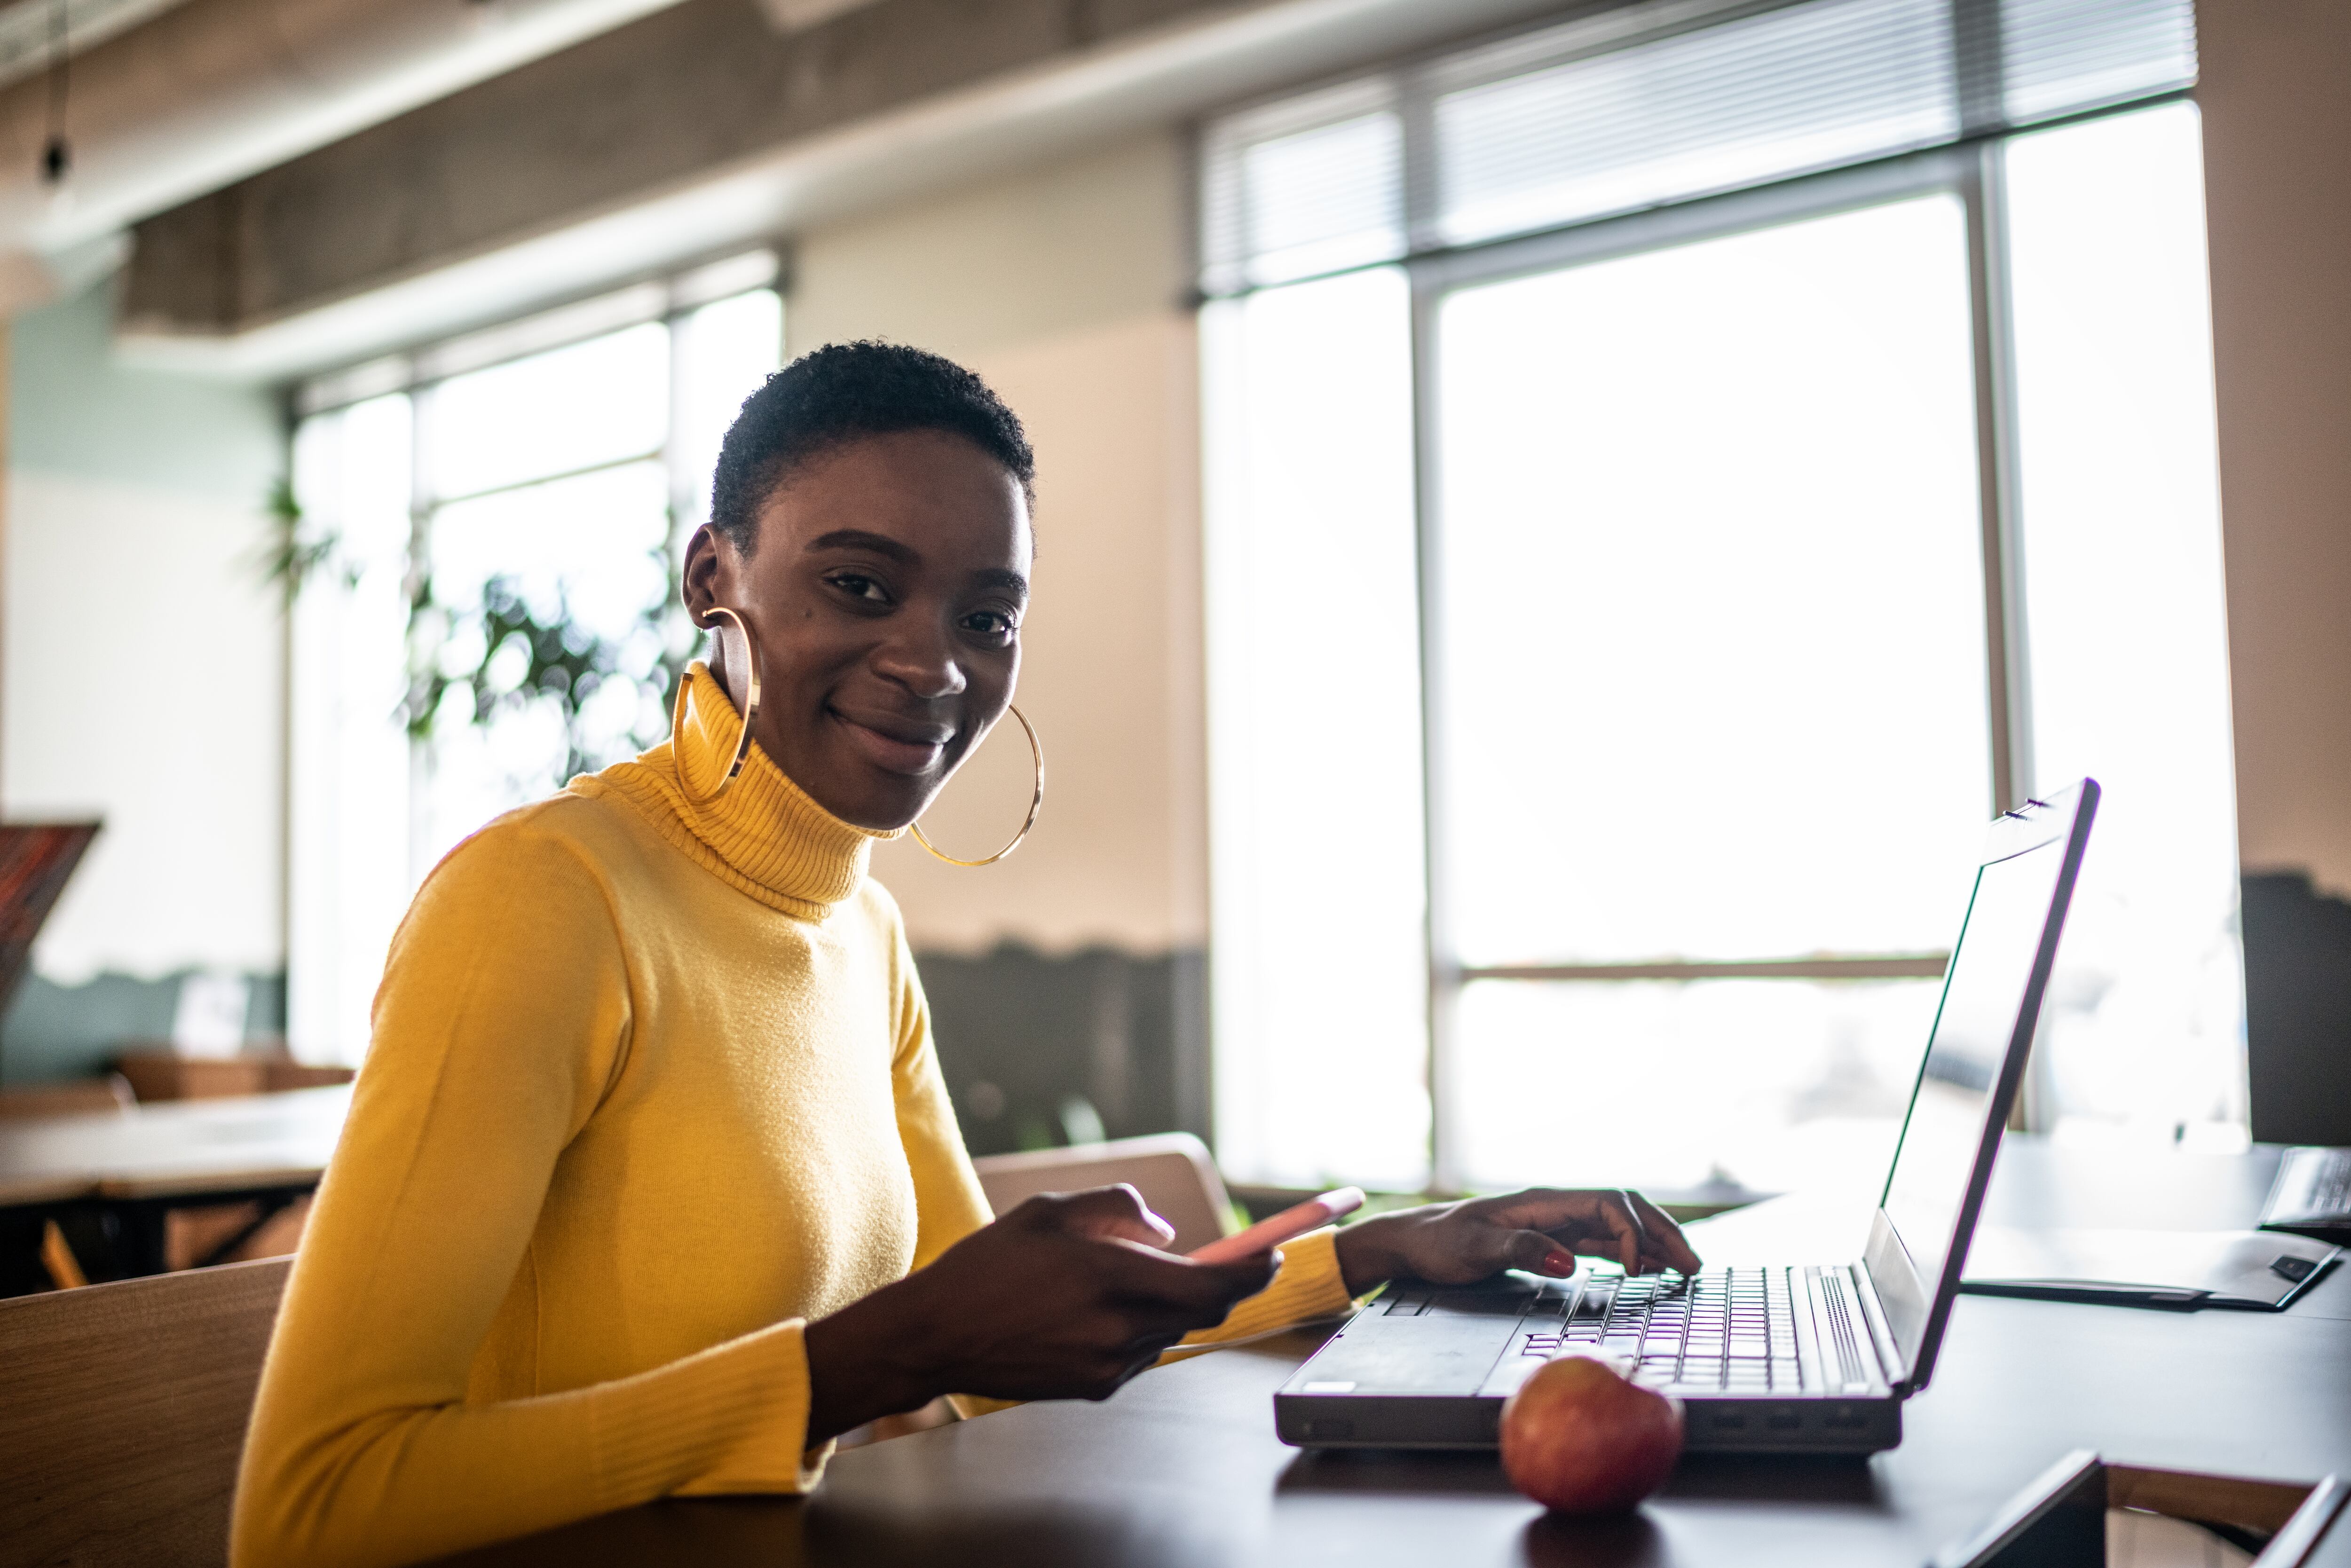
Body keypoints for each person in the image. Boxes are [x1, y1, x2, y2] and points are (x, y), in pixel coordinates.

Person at [229, 342, 1702, 1568]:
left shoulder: (855, 928)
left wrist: (1379, 1255)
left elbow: (999, 1339)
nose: (936, 664)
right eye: (861, 587)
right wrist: (864, 1362)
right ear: (711, 577)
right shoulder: (541, 901)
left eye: (986, 617)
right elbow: (309, 1510)